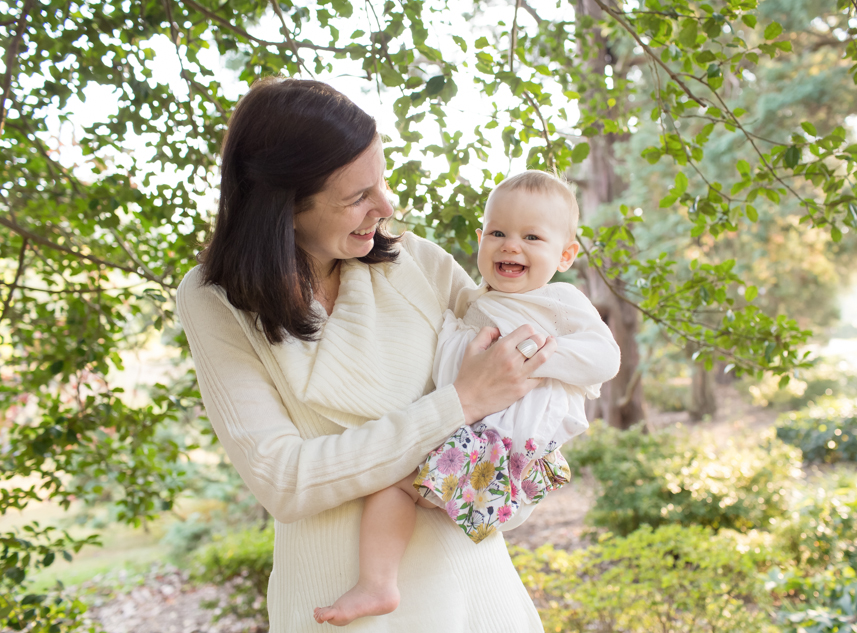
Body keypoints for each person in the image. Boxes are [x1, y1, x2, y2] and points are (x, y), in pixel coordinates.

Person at [177, 77, 556, 632]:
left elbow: (528, 389)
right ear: (283, 207)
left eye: (380, 181)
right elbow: (285, 480)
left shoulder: (417, 262)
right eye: (357, 197)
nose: (385, 206)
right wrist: (458, 403)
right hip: (337, 598)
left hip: (473, 588)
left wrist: (503, 488)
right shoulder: (215, 299)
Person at [313, 171, 621, 626]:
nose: (511, 246)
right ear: (479, 239)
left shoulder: (560, 301)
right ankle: (381, 584)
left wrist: (525, 356)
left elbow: (604, 358)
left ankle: (377, 583)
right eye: (497, 232)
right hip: (478, 442)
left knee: (394, 485)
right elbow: (454, 377)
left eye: (532, 237)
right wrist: (459, 342)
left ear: (566, 254)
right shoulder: (473, 306)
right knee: (397, 486)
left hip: (516, 447)